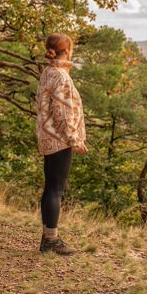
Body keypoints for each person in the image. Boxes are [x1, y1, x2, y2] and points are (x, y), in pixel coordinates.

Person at [34, 33, 88, 255]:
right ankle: (51, 241)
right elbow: (63, 113)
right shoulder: (61, 77)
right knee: (56, 190)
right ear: (67, 50)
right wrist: (73, 139)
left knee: (50, 188)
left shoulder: (48, 72)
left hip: (48, 137)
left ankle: (48, 238)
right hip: (59, 139)